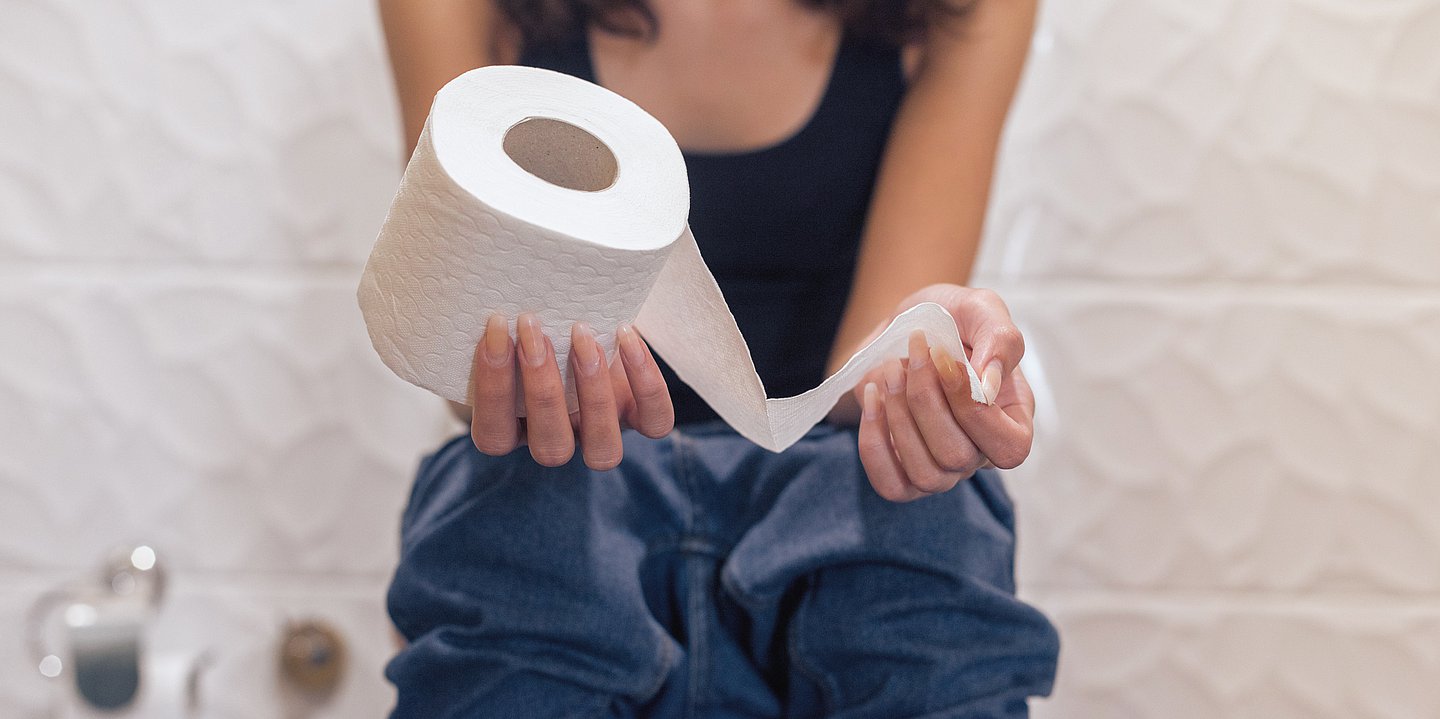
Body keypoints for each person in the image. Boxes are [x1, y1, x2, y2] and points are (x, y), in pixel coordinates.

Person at [378, 0, 1060, 716]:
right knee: (520, 516)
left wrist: (930, 363)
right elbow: (459, 311)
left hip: (829, 491)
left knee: (927, 517)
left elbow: (870, 373)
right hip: (571, 477)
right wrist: (520, 378)